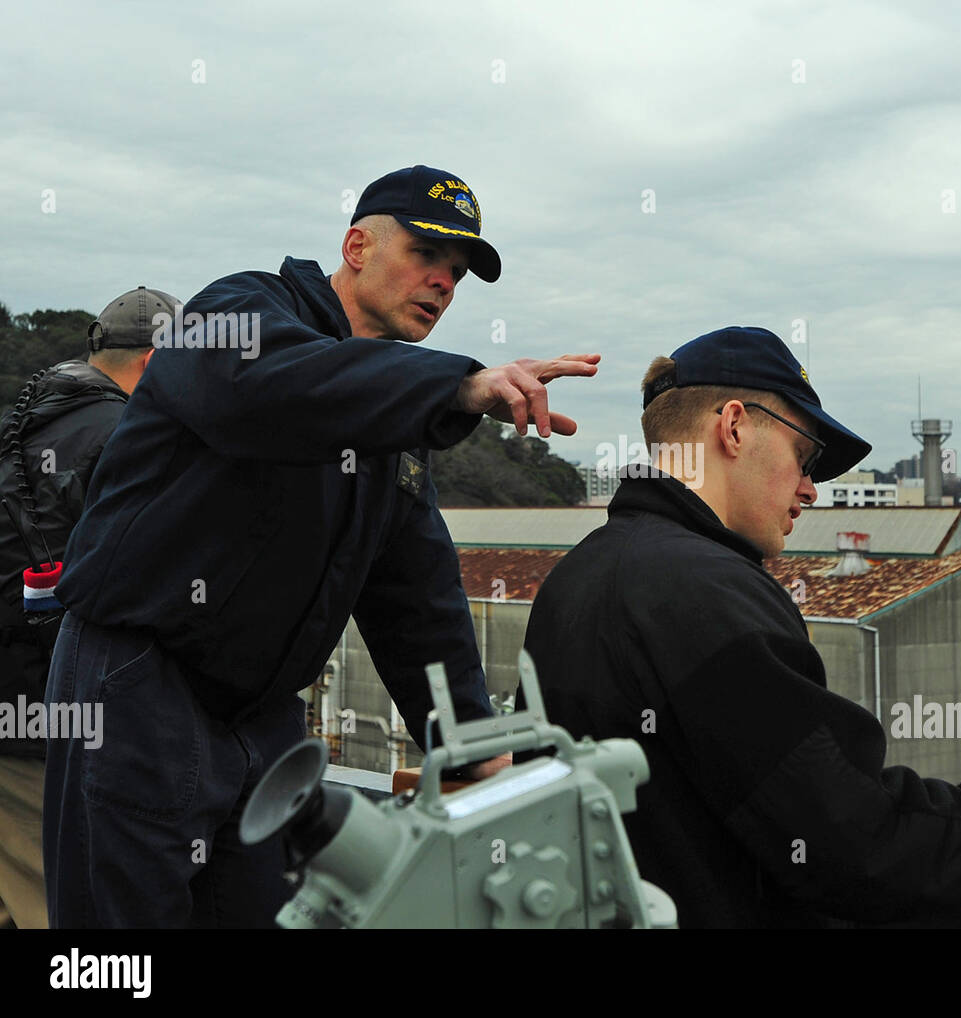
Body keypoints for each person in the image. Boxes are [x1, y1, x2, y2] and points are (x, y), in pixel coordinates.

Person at [42, 165, 598, 928]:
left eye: (459, 273)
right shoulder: (238, 311)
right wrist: (459, 388)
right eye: (427, 255)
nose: (444, 282)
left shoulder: (390, 412)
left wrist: (474, 747)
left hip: (266, 714)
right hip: (142, 685)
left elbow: (416, 595)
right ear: (356, 244)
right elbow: (272, 388)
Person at [521, 325, 961, 929]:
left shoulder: (575, 581)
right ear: (735, 427)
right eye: (804, 456)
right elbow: (862, 842)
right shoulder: (707, 596)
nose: (811, 490)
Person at [0, 286, 171, 929]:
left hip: (13, 712)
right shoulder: (126, 435)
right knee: (64, 914)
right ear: (158, 364)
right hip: (58, 725)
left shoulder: (26, 423)